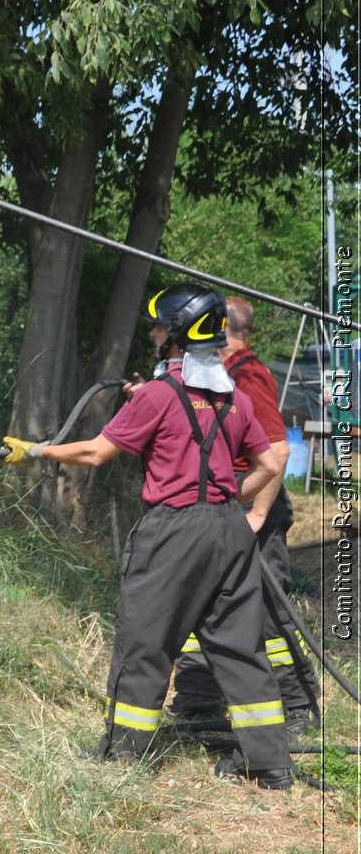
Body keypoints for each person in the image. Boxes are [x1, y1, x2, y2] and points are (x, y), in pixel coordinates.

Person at [3, 282, 294, 789]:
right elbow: (269, 462)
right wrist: (224, 495)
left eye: (160, 325)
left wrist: (37, 452)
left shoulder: (159, 396)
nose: (155, 332)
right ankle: (270, 765)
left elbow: (95, 453)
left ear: (178, 334)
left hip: (174, 531)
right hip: (229, 527)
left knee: (145, 641)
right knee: (240, 646)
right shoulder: (235, 399)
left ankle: (124, 754)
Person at [170, 296, 322, 732]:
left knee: (269, 608)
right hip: (221, 509)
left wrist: (256, 515)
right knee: (205, 599)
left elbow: (277, 450)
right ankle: (198, 698)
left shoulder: (248, 375)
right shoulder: (220, 374)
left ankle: (296, 703)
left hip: (256, 511)